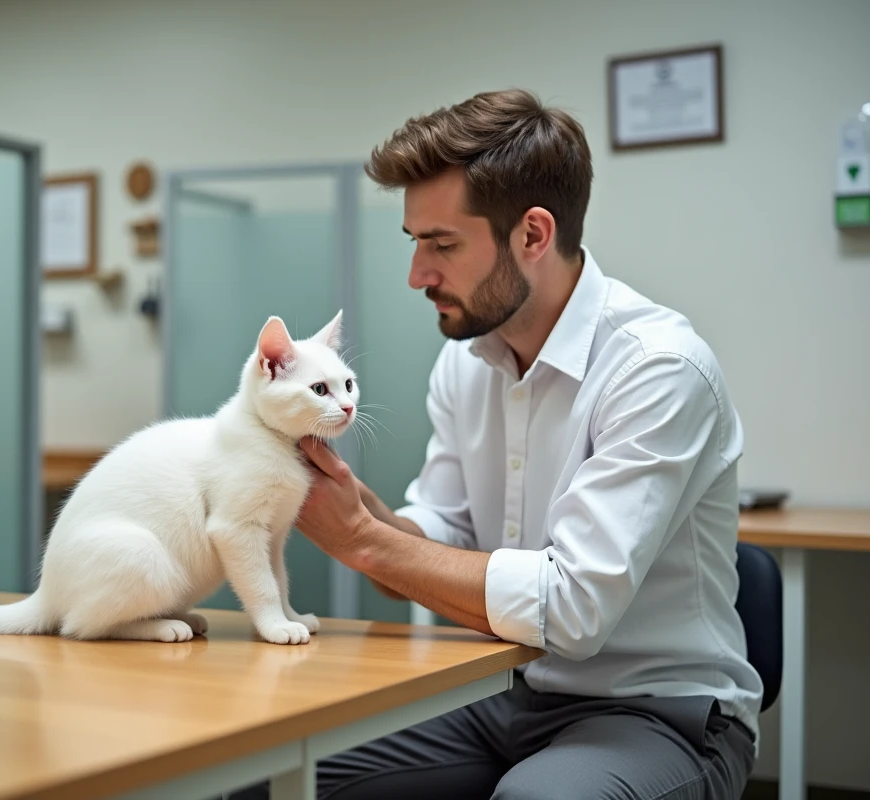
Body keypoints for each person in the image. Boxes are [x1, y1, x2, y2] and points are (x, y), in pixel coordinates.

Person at [234, 89, 761, 799]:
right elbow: (438, 535)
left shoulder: (657, 368)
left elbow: (572, 610)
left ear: (533, 235)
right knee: (271, 771)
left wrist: (363, 538)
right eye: (415, 241)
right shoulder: (466, 361)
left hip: (657, 709)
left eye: (442, 244)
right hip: (501, 691)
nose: (418, 274)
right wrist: (350, 507)